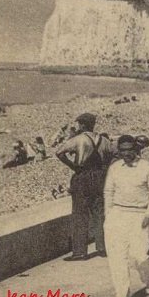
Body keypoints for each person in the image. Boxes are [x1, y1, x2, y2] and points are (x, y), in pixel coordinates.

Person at [103, 135, 149, 297]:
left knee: (140, 255)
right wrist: (108, 215)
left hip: (139, 215)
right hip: (117, 215)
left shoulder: (146, 167)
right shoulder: (114, 168)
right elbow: (108, 191)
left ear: (136, 150)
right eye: (123, 150)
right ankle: (122, 294)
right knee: (117, 257)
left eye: (129, 149)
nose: (126, 153)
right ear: (118, 151)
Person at [55, 112, 111, 261]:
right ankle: (103, 247)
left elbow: (59, 152)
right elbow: (113, 155)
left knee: (80, 214)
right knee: (99, 213)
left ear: (83, 124)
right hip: (100, 177)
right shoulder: (104, 140)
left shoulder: (78, 139)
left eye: (79, 124)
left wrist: (74, 167)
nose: (77, 126)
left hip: (83, 176)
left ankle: (80, 252)